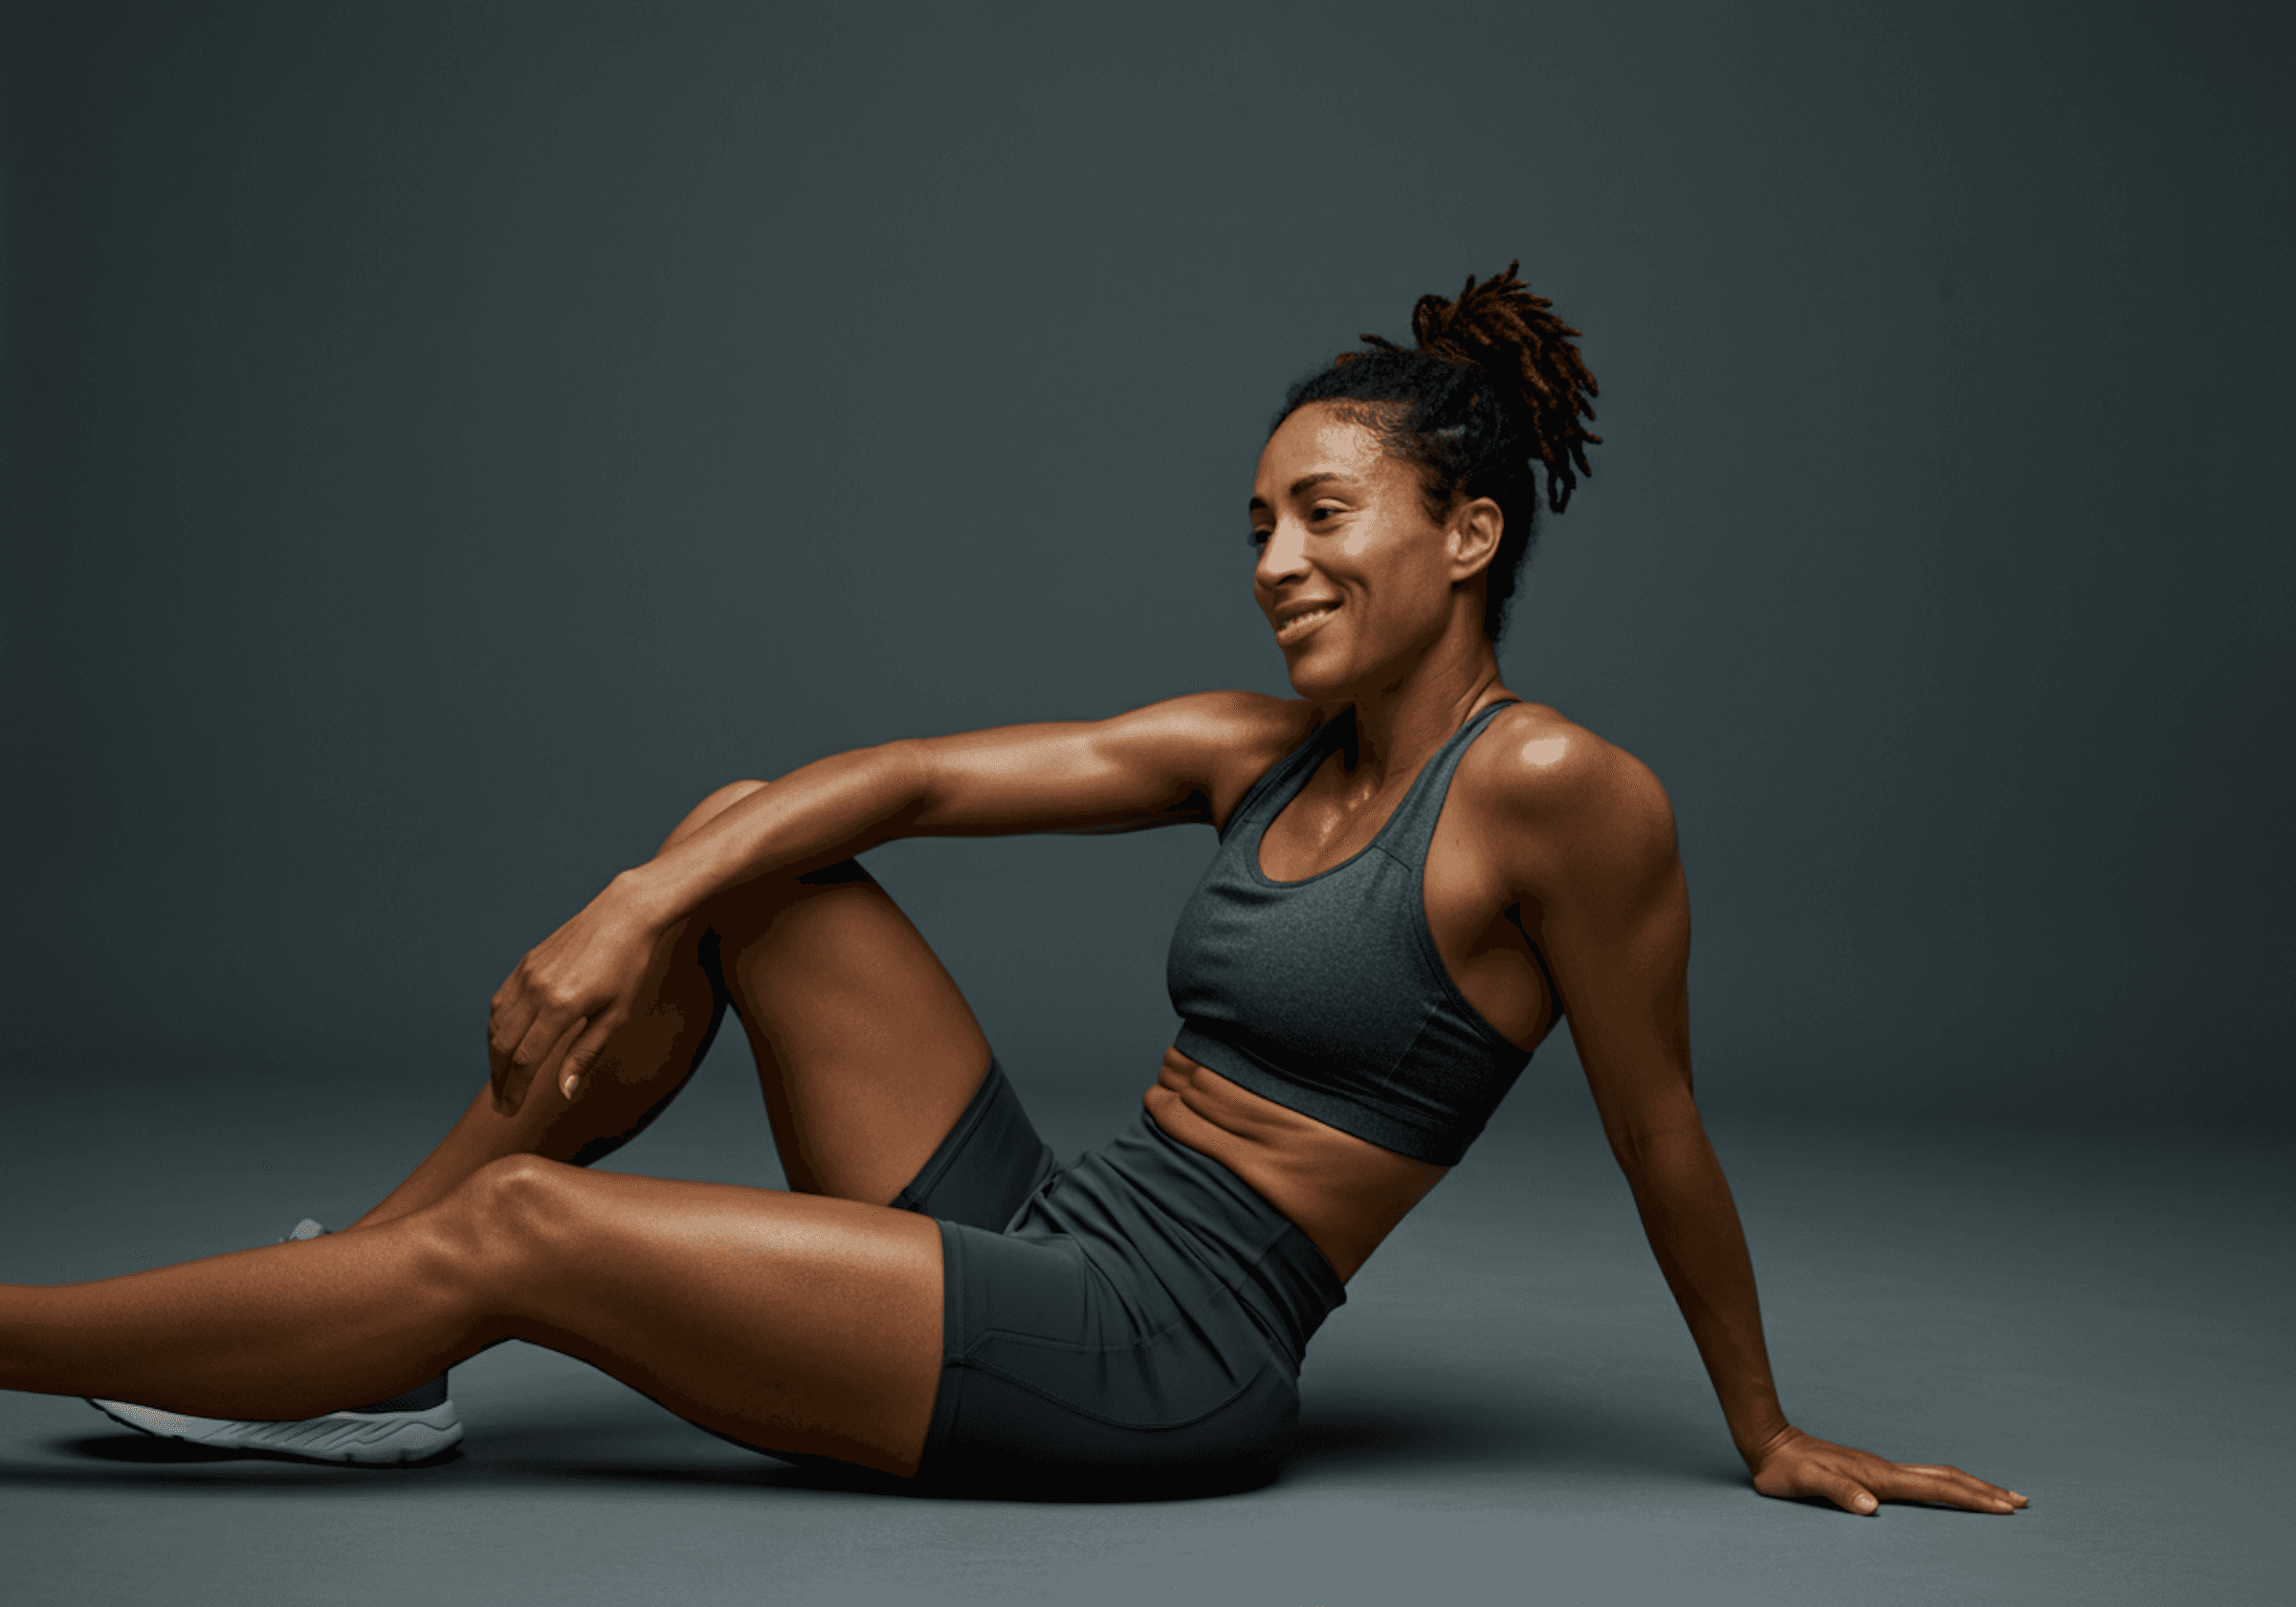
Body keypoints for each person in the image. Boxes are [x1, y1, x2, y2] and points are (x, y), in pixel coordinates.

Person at [14, 266, 2024, 1514]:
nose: (1274, 560)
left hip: (1163, 1353)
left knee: (539, 1227)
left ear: (1470, 534)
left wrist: (1765, 1426)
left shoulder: (1566, 795)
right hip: (1051, 1227)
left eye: (1325, 515)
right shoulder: (1260, 749)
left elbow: (1661, 1132)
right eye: (1255, 523)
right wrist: (636, 898)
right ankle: (363, 1346)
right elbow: (898, 779)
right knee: (753, 837)